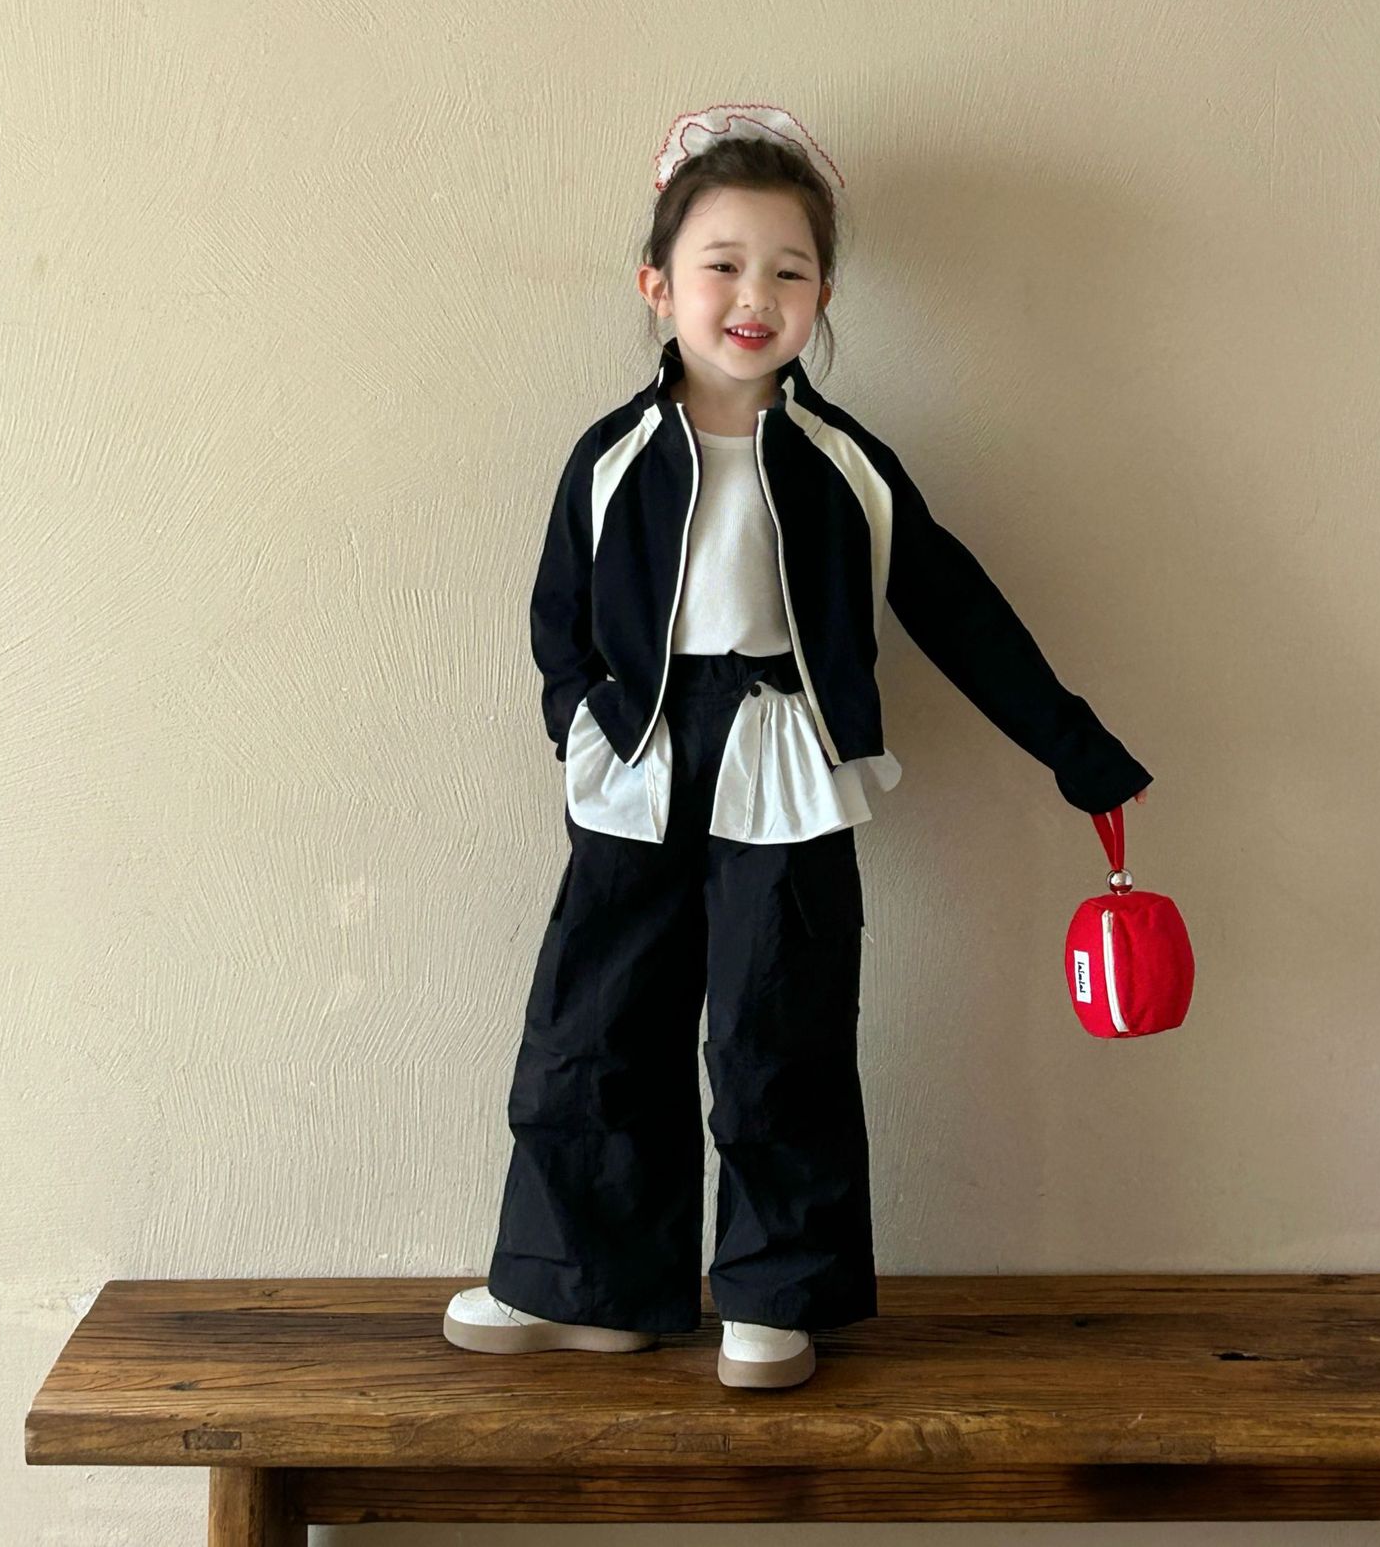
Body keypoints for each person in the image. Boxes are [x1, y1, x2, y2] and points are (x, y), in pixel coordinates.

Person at [443, 102, 1152, 1390]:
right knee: (592, 1022)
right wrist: (580, 720)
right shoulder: (608, 457)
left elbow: (956, 609)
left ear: (824, 296)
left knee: (780, 1029)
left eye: (789, 269)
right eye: (721, 264)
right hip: (641, 759)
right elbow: (558, 618)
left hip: (785, 761)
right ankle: (589, 1286)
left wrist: (1076, 749)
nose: (753, 295)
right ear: (658, 286)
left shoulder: (846, 463)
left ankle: (776, 1297)